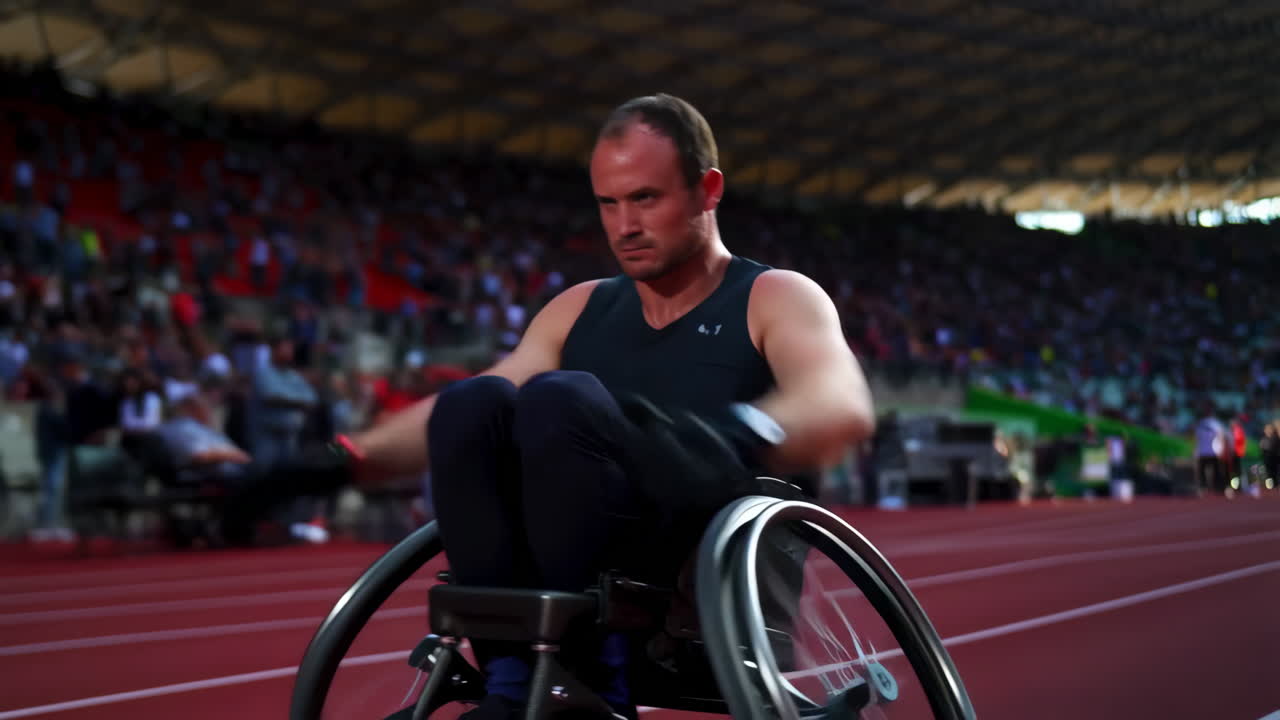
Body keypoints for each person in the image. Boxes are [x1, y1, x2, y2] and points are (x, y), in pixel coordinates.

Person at [229, 94, 875, 719]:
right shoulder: (578, 309)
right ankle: (516, 681)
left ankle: (591, 685)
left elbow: (839, 404)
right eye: (608, 204)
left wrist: (720, 438)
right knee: (474, 402)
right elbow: (475, 405)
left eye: (646, 198)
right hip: (575, 564)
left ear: (707, 191)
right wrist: (337, 461)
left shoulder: (774, 297)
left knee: (562, 400)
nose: (625, 226)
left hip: (702, 576)